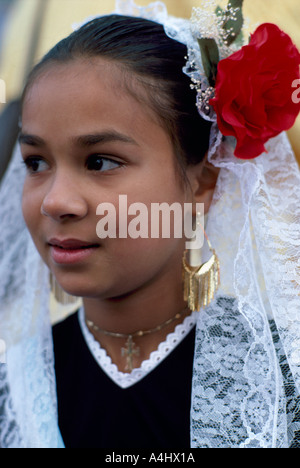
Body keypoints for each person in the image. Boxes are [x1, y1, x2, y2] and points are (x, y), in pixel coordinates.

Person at [0, 0, 300, 448]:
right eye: (36, 161)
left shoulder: (278, 382)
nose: (55, 201)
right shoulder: (16, 389)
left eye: (99, 161)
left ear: (202, 183)